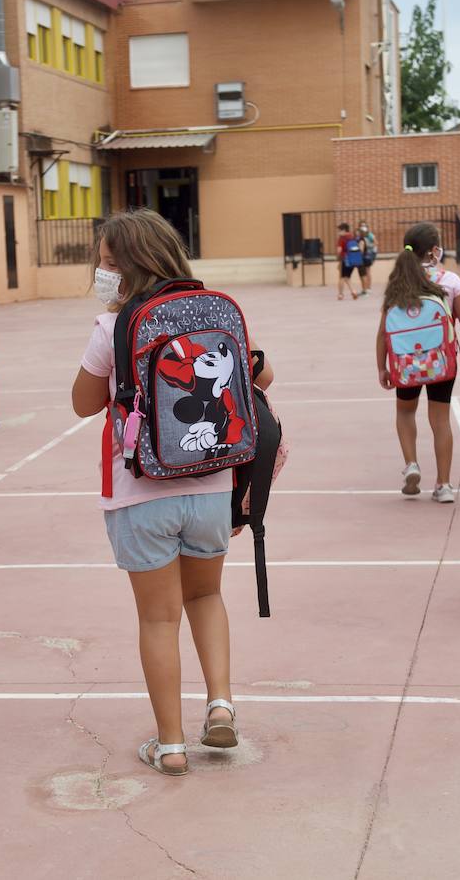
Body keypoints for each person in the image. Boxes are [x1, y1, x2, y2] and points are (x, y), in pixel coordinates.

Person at [71, 209, 274, 777]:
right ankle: (222, 704)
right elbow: (262, 374)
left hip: (141, 490)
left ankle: (171, 744)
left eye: (107, 262)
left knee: (159, 620)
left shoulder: (111, 326)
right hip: (212, 483)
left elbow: (84, 403)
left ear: (129, 266)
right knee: (206, 598)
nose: (101, 270)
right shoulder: (213, 311)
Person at [375, 223, 460, 502]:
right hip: (441, 363)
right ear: (435, 251)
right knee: (441, 421)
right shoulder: (450, 280)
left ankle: (411, 464)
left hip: (406, 364)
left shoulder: (397, 283)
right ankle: (444, 485)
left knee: (406, 412)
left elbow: (384, 332)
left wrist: (382, 367)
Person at [335, 222, 364, 301]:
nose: (338, 232)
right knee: (347, 277)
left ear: (344, 230)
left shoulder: (342, 238)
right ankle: (353, 292)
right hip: (353, 260)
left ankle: (340, 294)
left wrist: (338, 257)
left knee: (342, 277)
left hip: (345, 259)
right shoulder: (352, 236)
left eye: (339, 230)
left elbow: (339, 250)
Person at [357, 219, 377, 297]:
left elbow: (376, 243)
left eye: (364, 225)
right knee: (364, 271)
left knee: (367, 271)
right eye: (361, 225)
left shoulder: (369, 235)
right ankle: (365, 288)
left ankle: (368, 288)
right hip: (365, 254)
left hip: (368, 254)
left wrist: (368, 247)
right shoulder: (360, 235)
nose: (363, 227)